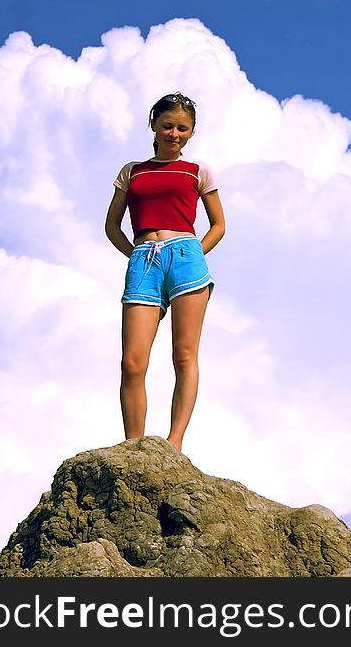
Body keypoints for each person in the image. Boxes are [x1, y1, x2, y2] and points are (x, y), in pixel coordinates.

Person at [104, 91, 226, 451]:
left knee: (184, 354)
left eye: (183, 128)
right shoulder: (133, 171)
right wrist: (136, 255)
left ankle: (174, 443)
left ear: (191, 133)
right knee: (131, 362)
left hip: (186, 255)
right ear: (154, 126)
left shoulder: (197, 171)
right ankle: (134, 447)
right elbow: (112, 225)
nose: (174, 133)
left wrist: (193, 255)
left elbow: (219, 224)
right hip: (144, 260)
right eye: (168, 125)